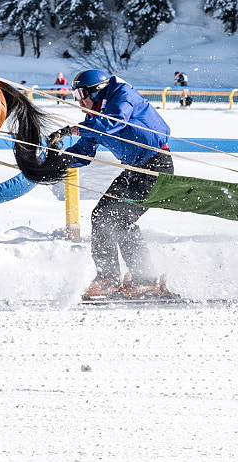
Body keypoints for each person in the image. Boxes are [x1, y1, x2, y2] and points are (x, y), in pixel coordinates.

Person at [62, 69, 177, 300]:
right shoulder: (94, 117)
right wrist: (56, 158)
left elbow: (114, 123)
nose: (78, 100)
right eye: (75, 94)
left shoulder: (122, 96)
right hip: (134, 169)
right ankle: (135, 278)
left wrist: (77, 128)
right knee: (104, 217)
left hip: (155, 166)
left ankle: (118, 279)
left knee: (115, 218)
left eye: (81, 93)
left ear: (97, 91)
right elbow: (85, 153)